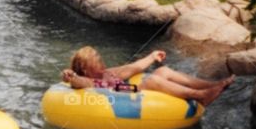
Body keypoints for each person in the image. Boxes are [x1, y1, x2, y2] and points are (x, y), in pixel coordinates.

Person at [62, 46, 234, 106]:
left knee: (163, 71)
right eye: (95, 59)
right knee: (151, 80)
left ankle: (210, 85)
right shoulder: (90, 81)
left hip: (134, 89)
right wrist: (70, 76)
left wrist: (152, 57)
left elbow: (133, 67)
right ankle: (200, 97)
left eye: (99, 57)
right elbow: (77, 82)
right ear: (85, 69)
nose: (100, 60)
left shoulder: (109, 73)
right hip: (127, 97)